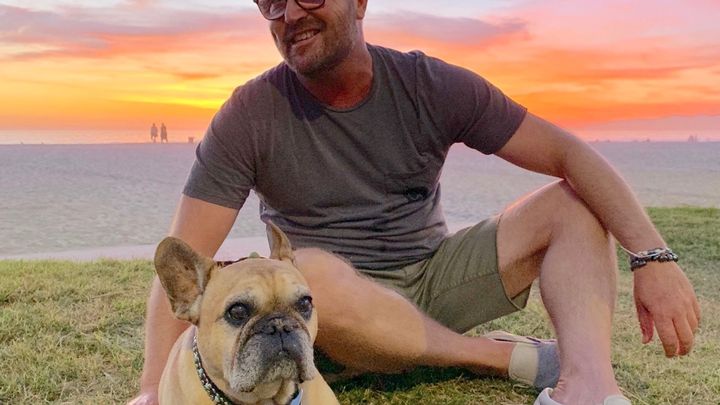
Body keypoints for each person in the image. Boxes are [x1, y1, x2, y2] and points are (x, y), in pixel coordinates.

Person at [128, 1, 700, 404]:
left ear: (360, 2)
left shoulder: (429, 84)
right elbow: (187, 257)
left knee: (571, 202)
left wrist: (652, 255)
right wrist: (153, 389)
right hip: (336, 312)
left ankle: (589, 388)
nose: (290, 14)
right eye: (271, 2)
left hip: (433, 277)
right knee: (310, 274)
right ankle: (495, 357)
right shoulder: (249, 114)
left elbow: (568, 153)